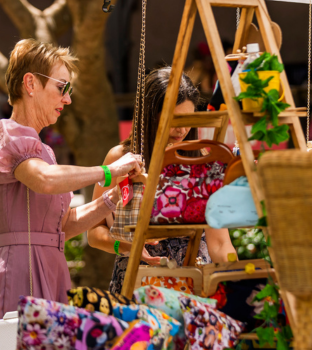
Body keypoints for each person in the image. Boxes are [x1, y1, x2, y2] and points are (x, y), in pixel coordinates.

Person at [0, 39, 143, 350]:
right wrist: (109, 171)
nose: (68, 99)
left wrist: (113, 196)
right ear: (30, 83)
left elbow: (64, 224)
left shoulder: (43, 149)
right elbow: (44, 181)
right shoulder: (6, 134)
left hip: (50, 266)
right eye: (62, 87)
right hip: (21, 270)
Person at [87, 67, 237, 295]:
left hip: (193, 283)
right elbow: (94, 232)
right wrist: (126, 247)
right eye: (174, 119)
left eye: (187, 119)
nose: (182, 129)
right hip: (138, 283)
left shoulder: (201, 160)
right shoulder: (121, 159)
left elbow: (219, 242)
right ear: (150, 114)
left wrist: (236, 276)